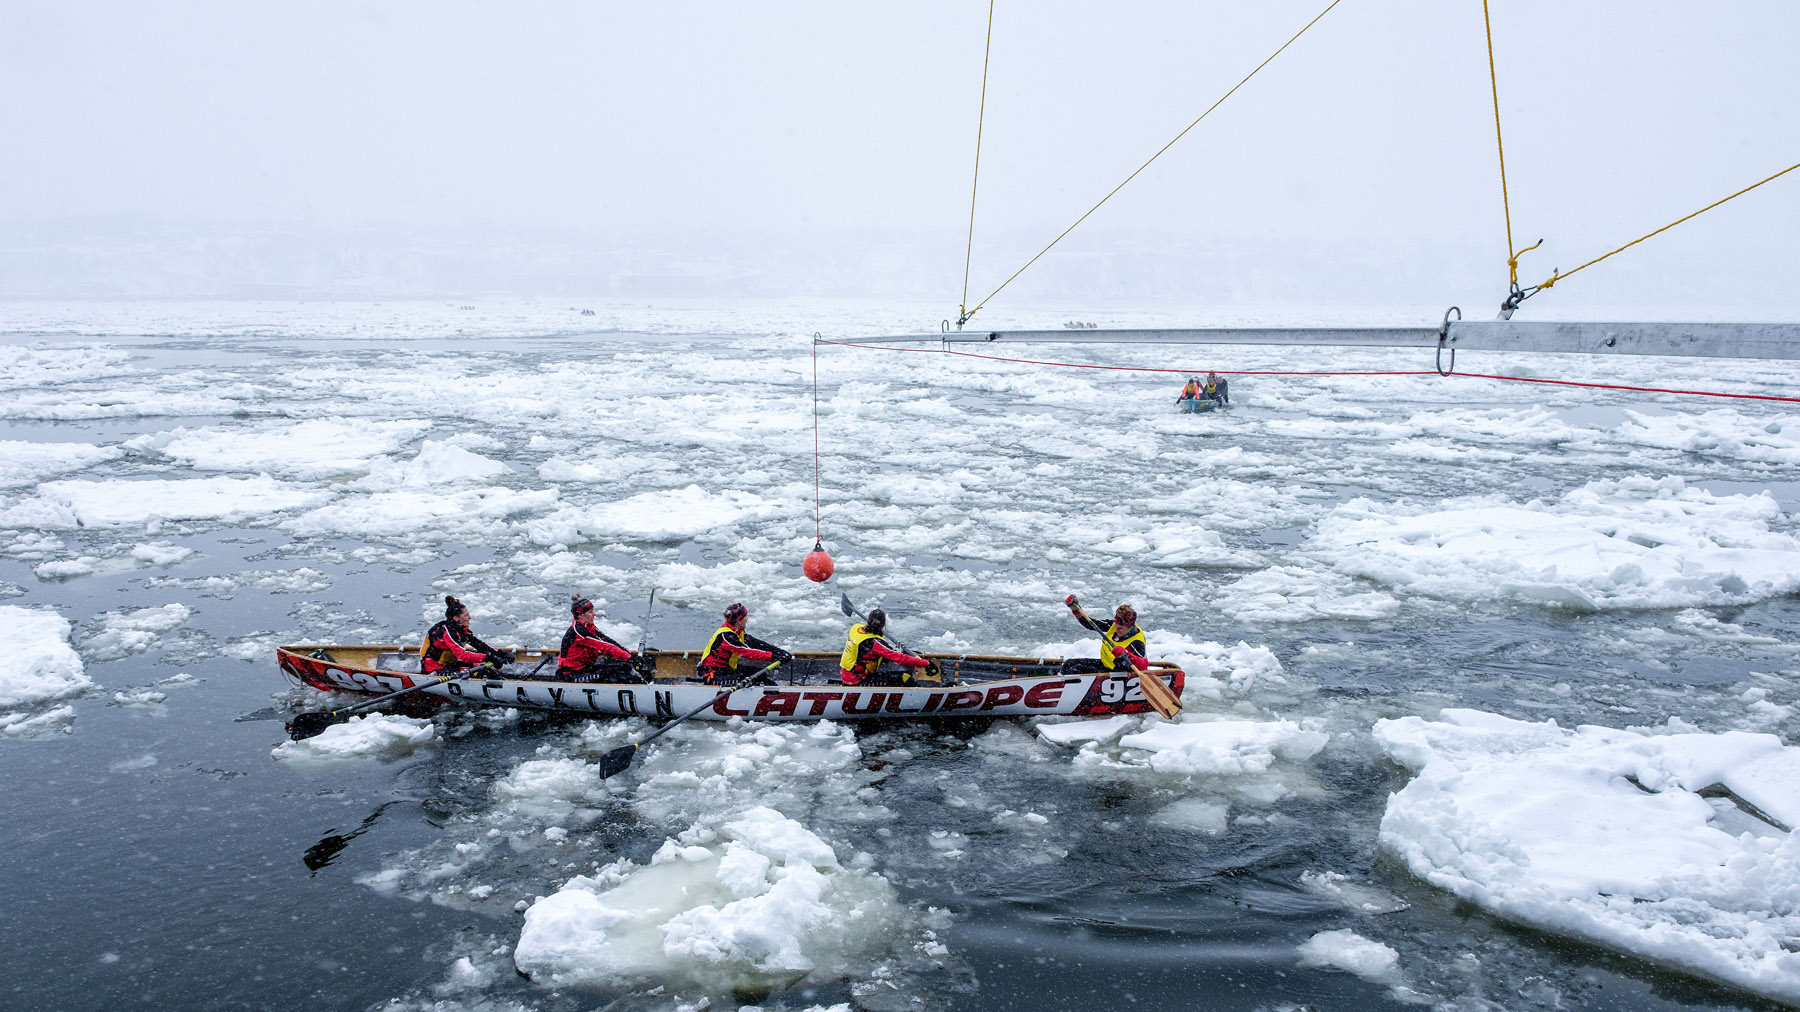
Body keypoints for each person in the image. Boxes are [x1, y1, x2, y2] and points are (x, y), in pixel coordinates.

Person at [696, 602, 792, 684]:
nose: (747, 618)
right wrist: (774, 657)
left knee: (758, 673)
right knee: (752, 679)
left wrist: (780, 652)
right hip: (714, 676)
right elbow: (749, 652)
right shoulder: (727, 637)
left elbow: (756, 643)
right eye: (745, 616)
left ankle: (770, 695)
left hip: (726, 670)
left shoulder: (736, 630)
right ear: (738, 621)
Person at [557, 595, 644, 683]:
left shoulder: (589, 626)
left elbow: (606, 640)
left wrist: (630, 655)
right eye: (590, 612)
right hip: (574, 674)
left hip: (586, 667)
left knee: (623, 665)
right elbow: (605, 647)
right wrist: (630, 658)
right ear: (580, 615)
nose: (594, 614)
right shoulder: (579, 632)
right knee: (616, 671)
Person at [840, 608, 935, 686]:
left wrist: (877, 632)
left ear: (868, 621)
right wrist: (927, 664)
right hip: (858, 681)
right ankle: (920, 693)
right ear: (883, 625)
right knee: (904, 677)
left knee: (884, 661)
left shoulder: (855, 628)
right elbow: (901, 658)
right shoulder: (876, 644)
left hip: (846, 674)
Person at [421, 595, 511, 674]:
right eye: (466, 615)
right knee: (482, 671)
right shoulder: (447, 632)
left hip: (449, 664)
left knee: (480, 665)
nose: (469, 617)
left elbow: (480, 645)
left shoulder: (460, 629)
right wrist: (488, 657)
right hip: (434, 669)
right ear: (456, 618)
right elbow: (463, 656)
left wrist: (500, 653)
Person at [1061, 595, 1150, 674]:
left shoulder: (1137, 642)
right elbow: (1091, 624)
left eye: (1120, 628)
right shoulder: (1114, 625)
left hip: (1119, 672)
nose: (1116, 630)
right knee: (1068, 664)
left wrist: (1126, 654)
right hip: (1106, 664)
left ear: (1130, 627)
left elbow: (1143, 666)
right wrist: (1077, 610)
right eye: (1116, 626)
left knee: (1075, 670)